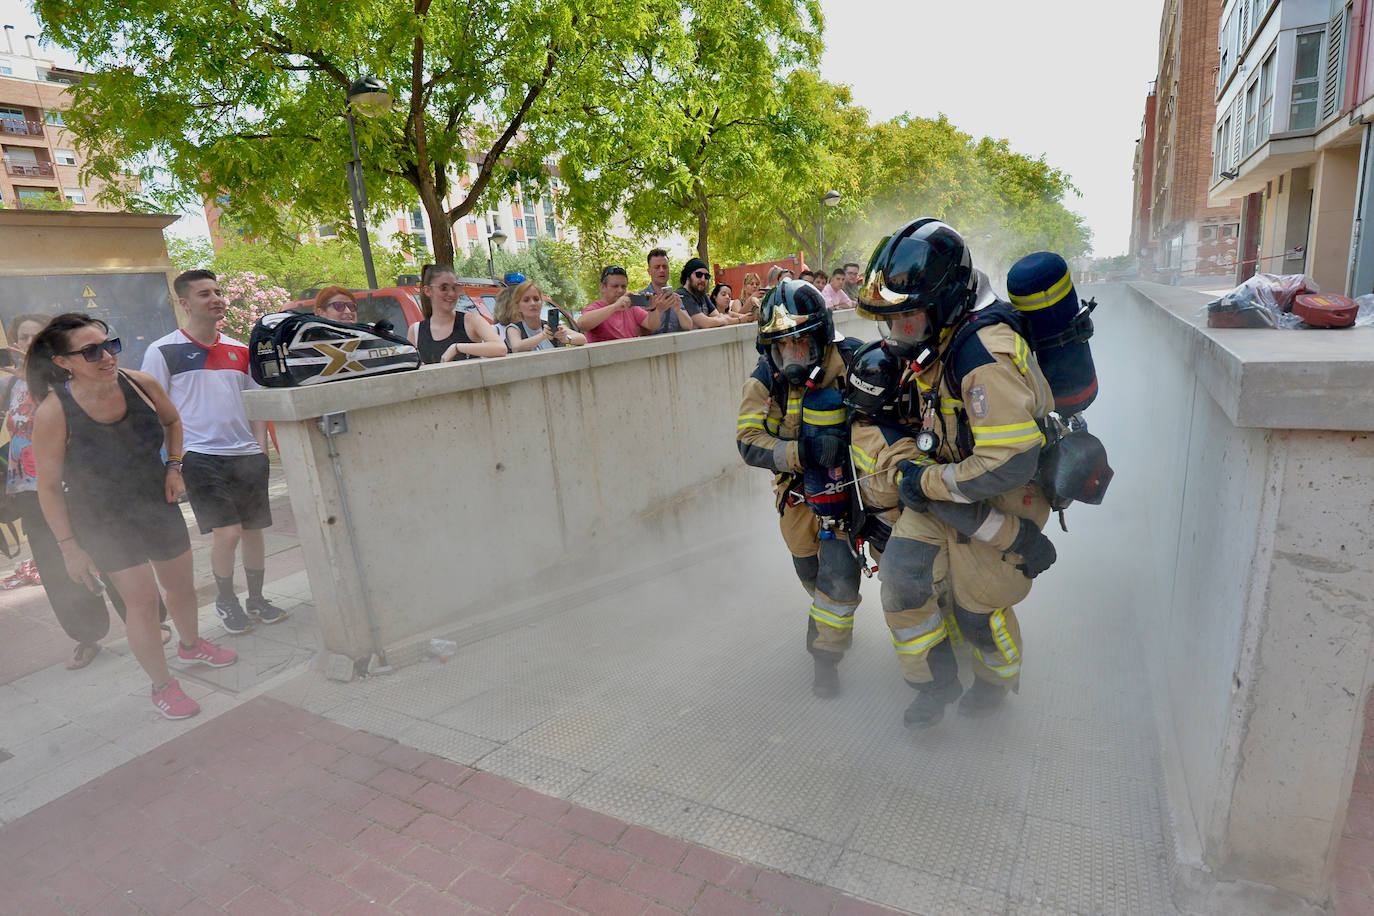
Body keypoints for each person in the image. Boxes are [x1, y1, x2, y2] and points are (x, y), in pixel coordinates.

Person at [855, 218, 1057, 728]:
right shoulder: (942, 341)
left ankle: (996, 681)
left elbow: (1010, 461)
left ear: (943, 305)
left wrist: (924, 482)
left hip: (1001, 497)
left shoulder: (981, 354)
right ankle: (933, 686)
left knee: (978, 614)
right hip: (946, 489)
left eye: (906, 321)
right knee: (902, 581)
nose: (897, 336)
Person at [31, 314, 237, 719]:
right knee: (142, 603)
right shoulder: (54, 412)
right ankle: (163, 686)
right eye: (91, 351)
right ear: (63, 362)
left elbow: (173, 420)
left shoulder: (141, 383)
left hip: (155, 502)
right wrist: (70, 548)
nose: (106, 356)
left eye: (110, 345)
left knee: (181, 589)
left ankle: (192, 646)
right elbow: (49, 488)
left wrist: (175, 467)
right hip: (102, 520)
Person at [4, 314, 170, 669]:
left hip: (81, 490)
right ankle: (86, 635)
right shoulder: (10, 387)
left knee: (117, 558)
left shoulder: (69, 382)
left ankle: (150, 621)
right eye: (23, 336)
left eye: (37, 337)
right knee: (60, 568)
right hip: (31, 492)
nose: (29, 342)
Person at [736, 279, 864, 698]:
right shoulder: (764, 379)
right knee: (809, 572)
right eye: (781, 347)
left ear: (822, 337)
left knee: (838, 579)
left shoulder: (855, 359)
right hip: (796, 494)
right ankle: (829, 617)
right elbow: (748, 441)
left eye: (801, 345)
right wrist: (800, 453)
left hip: (853, 489)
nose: (791, 356)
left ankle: (825, 660)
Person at [143, 269, 288, 636]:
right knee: (229, 532)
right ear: (184, 302)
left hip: (246, 455)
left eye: (218, 291)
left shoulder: (241, 350)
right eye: (205, 294)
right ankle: (227, 600)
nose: (216, 298)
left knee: (254, 530)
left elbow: (255, 405)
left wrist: (260, 450)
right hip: (199, 456)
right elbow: (154, 412)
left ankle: (256, 599)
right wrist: (172, 464)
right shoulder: (163, 350)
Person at [407, 264, 508, 364]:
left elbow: (500, 348)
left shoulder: (471, 320)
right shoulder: (415, 331)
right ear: (428, 291)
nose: (451, 293)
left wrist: (457, 347)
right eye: (444, 288)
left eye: (455, 288)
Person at [578, 266, 688, 342]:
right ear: (603, 287)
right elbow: (582, 324)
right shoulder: (595, 308)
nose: (620, 290)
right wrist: (615, 307)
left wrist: (653, 310)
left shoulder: (631, 307)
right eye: (615, 286)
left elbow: (652, 325)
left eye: (623, 286)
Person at [499, 279, 586, 351]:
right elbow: (517, 347)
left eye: (536, 299)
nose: (532, 303)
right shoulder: (514, 329)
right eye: (526, 300)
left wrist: (567, 338)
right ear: (518, 307)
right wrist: (543, 335)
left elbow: (582, 339)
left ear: (541, 303)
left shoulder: (551, 326)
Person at [675, 258, 740, 328]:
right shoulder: (681, 295)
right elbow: (705, 323)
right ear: (688, 276)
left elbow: (717, 316)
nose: (703, 279)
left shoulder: (702, 295)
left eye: (706, 276)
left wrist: (715, 320)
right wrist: (726, 320)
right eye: (699, 274)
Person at [641, 248, 688, 335]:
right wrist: (657, 311)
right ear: (649, 271)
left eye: (665, 267)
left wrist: (678, 310)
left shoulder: (676, 297)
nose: (662, 270)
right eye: (657, 267)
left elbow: (688, 326)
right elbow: (642, 332)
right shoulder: (642, 297)